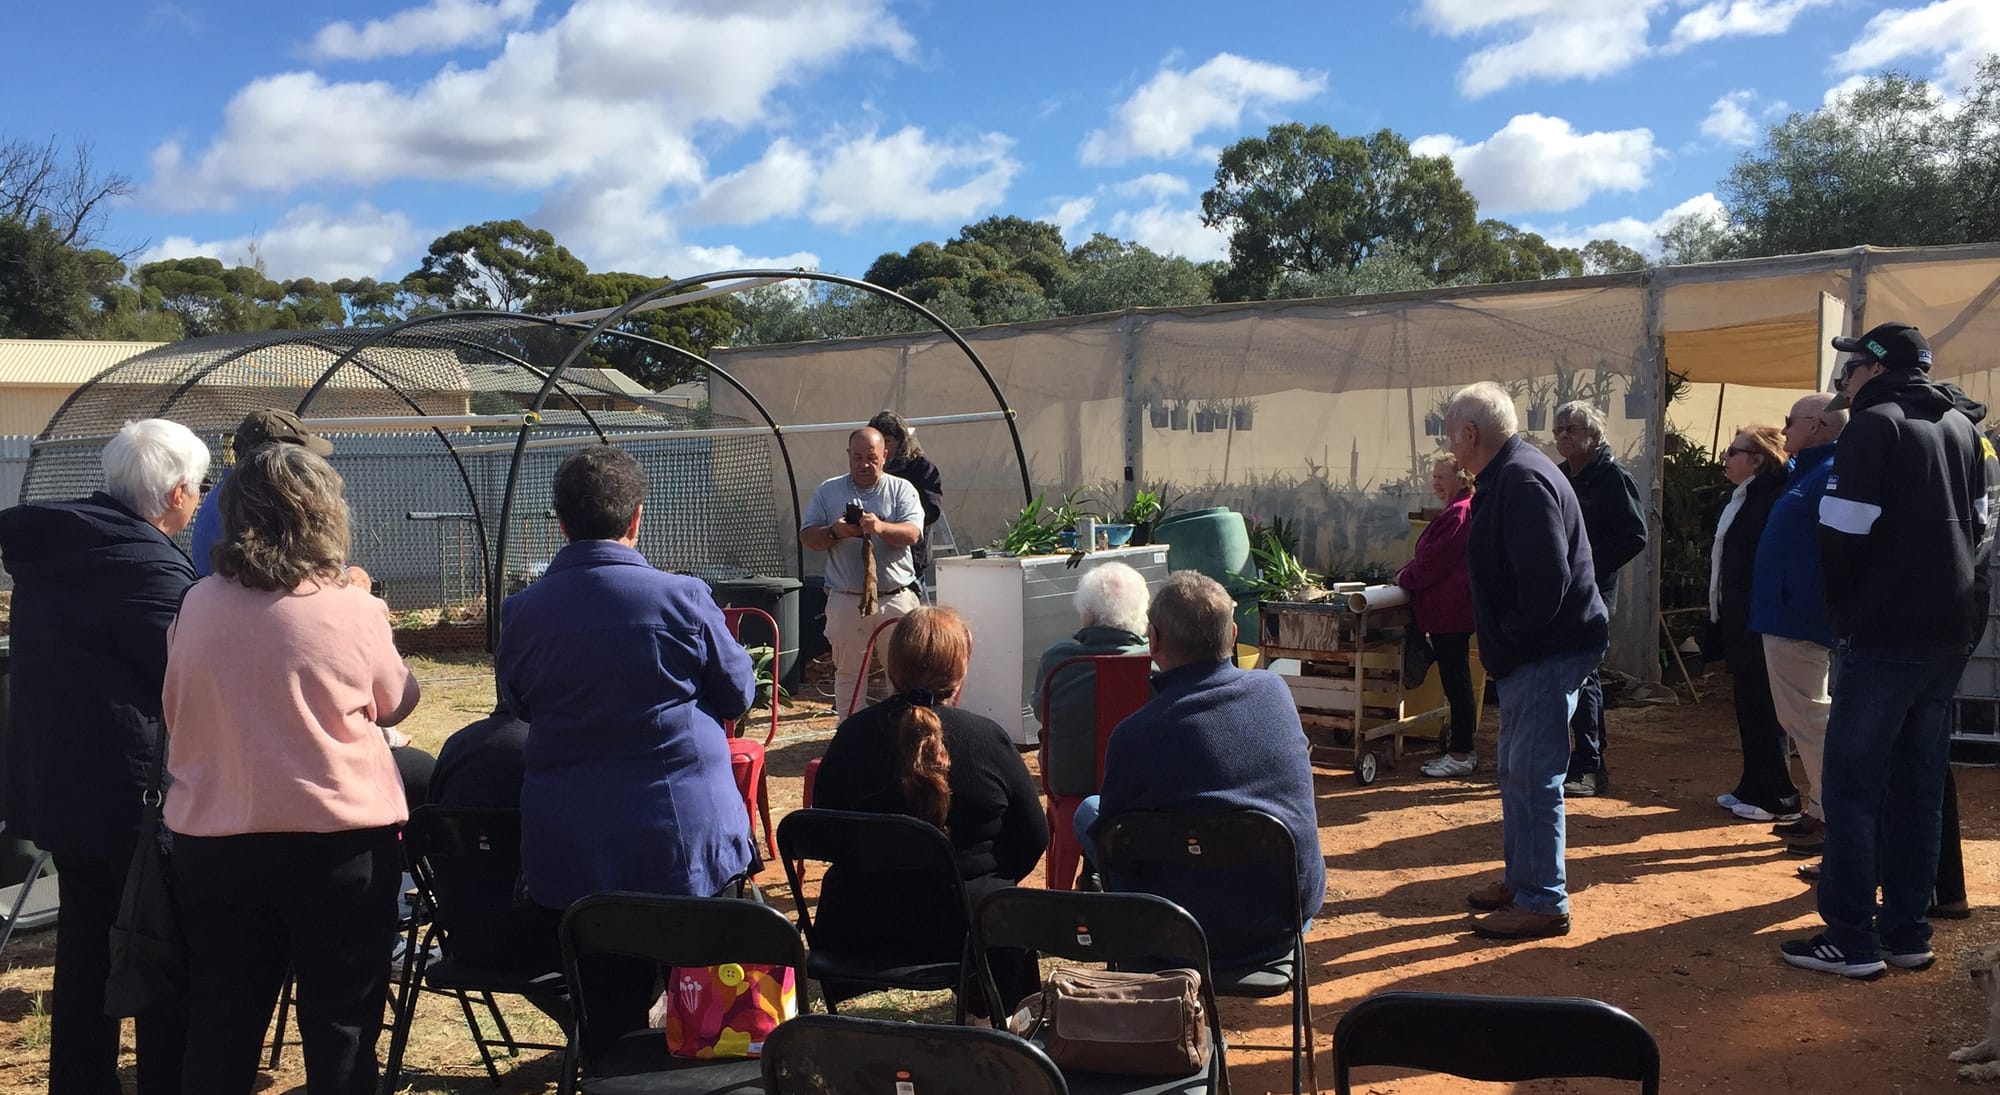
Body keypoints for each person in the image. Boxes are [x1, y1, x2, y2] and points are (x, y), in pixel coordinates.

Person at [162, 443, 420, 1095]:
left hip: (215, 843)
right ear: (324, 514)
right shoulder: (352, 606)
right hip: (336, 847)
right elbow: (397, 702)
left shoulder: (196, 604)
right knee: (341, 1028)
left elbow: (174, 708)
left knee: (221, 1021)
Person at [495, 445, 756, 1036]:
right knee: (711, 1017)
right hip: (685, 845)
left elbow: (518, 704)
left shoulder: (523, 612)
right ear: (637, 518)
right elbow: (739, 694)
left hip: (574, 851)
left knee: (608, 1020)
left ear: (560, 522)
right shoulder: (683, 597)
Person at [1782, 322, 1997, 978]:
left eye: (1849, 366)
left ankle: (1850, 937)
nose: (1841, 378)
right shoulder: (1969, 430)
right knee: (1918, 783)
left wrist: (1847, 614)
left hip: (1883, 637)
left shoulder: (1873, 427)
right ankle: (1907, 931)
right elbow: (1985, 531)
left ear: (1874, 369)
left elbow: (1842, 535)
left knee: (1851, 786)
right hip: (1949, 635)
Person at [0, 419, 203, 1095]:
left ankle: (80, 1080)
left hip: (59, 781)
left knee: (86, 948)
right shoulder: (141, 561)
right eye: (198, 487)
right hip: (133, 792)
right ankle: (167, 1080)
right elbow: (189, 672)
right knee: (158, 947)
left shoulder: (60, 545)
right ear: (177, 492)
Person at [811, 606, 1049, 1014]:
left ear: (892, 665)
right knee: (1005, 905)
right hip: (968, 929)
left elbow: (827, 834)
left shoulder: (851, 737)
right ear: (960, 670)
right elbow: (1033, 836)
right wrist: (980, 873)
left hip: (858, 924)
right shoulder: (986, 738)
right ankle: (985, 1016)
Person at [1078, 571, 1325, 962]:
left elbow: (1117, 843)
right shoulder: (1275, 692)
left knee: (1089, 812)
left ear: (1153, 640)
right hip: (1280, 919)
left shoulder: (1134, 734)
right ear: (1232, 633)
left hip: (1174, 928)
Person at [1450, 382, 1608, 941]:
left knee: (1535, 774)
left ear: (1470, 433)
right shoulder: (1509, 474)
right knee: (1516, 769)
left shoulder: (1522, 480)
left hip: (1546, 649)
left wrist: (1509, 643)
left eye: (1451, 433)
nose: (1449, 445)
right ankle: (1523, 881)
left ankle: (1544, 899)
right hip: (1533, 650)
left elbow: (1545, 586)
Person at [1748, 393, 1846, 857]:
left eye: (1791, 422)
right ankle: (1822, 807)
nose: (1783, 430)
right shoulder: (1806, 472)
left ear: (1818, 425)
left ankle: (1834, 814)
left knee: (1810, 717)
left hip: (1800, 616)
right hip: (1785, 612)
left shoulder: (1830, 473)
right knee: (1801, 716)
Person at [1551, 400, 1646, 797]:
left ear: (1593, 435)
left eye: (1570, 429)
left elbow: (1633, 535)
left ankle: (1590, 765)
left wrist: (1588, 567)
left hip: (1592, 592)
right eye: (1557, 431)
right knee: (1564, 672)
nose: (1562, 437)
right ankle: (1566, 759)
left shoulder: (1611, 477)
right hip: (1558, 591)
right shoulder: (1560, 476)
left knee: (1585, 671)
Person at [800, 428, 926, 717]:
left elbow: (913, 533)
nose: (864, 464)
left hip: (894, 597)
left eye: (871, 457)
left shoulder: (901, 489)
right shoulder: (828, 490)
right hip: (847, 598)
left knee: (904, 674)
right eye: (857, 457)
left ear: (885, 455)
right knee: (848, 674)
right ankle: (850, 737)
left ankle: (904, 736)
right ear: (848, 456)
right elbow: (807, 537)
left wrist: (880, 528)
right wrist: (836, 531)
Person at [1709, 424, 1800, 823]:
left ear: (1758, 459)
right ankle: (1753, 784)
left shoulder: (1774, 498)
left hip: (1761, 619)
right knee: (1749, 704)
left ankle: (1778, 795)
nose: (1726, 459)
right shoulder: (1746, 496)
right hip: (1740, 618)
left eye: (1734, 451)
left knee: (1766, 707)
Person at [1032, 561, 1151, 799]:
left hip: (1071, 786)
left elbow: (1040, 713)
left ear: (1087, 614)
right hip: (1142, 786)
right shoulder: (1156, 661)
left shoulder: (1057, 659)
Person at [188, 408, 333, 577]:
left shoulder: (228, 496)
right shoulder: (252, 507)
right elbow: (288, 578)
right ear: (278, 461)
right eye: (301, 459)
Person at [1403, 455, 1479, 777]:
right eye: (1433, 476)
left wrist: (1404, 578)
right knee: (1455, 677)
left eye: (1441, 476)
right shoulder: (1458, 509)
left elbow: (1434, 561)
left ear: (1461, 477)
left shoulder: (1460, 513)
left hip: (1452, 610)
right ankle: (1461, 748)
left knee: (1456, 678)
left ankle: (1461, 754)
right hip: (1449, 609)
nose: (1435, 482)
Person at [869, 409, 944, 580]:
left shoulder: (921, 468)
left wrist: (895, 525)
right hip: (875, 557)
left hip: (909, 560)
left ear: (901, 441)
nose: (882, 449)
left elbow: (931, 510)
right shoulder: (867, 470)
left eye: (887, 441)